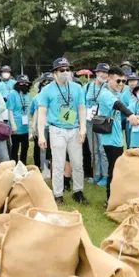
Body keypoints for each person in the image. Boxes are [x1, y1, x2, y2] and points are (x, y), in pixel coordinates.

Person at [36, 57, 87, 205]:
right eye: (62, 70)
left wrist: (83, 128)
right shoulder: (46, 90)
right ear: (54, 73)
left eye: (68, 69)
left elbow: (82, 109)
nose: (65, 72)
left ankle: (78, 191)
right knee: (58, 164)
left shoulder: (77, 88)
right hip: (57, 129)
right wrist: (41, 135)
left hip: (74, 129)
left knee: (77, 163)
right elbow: (42, 113)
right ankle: (58, 194)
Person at [95, 67, 139, 204]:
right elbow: (118, 105)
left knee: (117, 169)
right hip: (110, 139)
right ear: (109, 78)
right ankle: (110, 199)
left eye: (123, 81)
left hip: (117, 138)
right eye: (118, 81)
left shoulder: (116, 93)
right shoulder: (105, 94)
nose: (121, 84)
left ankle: (115, 197)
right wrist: (131, 115)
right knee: (114, 170)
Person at [84, 63, 110, 186]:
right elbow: (82, 103)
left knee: (102, 148)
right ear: (96, 73)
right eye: (102, 72)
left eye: (106, 73)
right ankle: (96, 173)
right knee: (93, 148)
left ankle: (105, 175)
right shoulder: (88, 86)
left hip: (103, 121)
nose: (104, 75)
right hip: (89, 121)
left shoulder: (108, 87)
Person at [6, 75, 32, 164]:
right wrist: (13, 124)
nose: (24, 84)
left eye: (26, 83)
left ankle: (23, 163)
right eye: (22, 82)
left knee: (26, 146)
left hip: (25, 125)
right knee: (15, 146)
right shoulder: (12, 94)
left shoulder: (28, 94)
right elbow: (10, 110)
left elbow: (28, 109)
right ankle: (14, 163)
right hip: (16, 124)